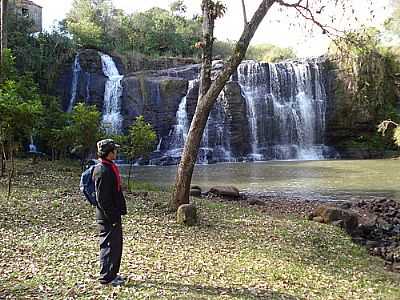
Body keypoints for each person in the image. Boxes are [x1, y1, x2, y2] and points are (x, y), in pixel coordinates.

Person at [93, 139, 127, 286]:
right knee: (108, 246)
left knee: (116, 246)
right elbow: (102, 199)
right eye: (114, 150)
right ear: (109, 153)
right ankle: (106, 277)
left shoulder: (109, 167)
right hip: (107, 217)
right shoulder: (102, 170)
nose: (116, 152)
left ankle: (113, 274)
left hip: (112, 215)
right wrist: (112, 217)